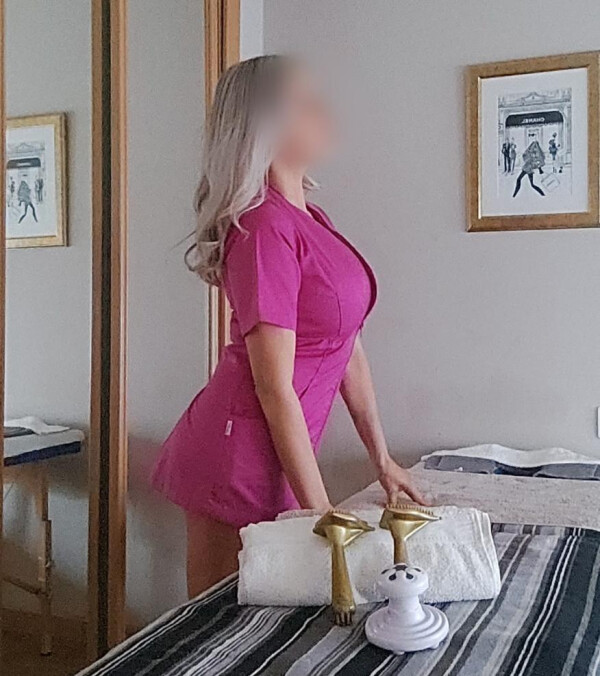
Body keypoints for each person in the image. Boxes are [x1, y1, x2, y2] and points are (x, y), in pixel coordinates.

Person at [152, 55, 425, 597]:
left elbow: (347, 347)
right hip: (233, 460)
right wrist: (321, 511)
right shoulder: (262, 228)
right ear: (265, 126)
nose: (324, 112)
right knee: (218, 622)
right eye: (305, 103)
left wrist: (383, 459)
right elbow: (273, 386)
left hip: (279, 452)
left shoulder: (312, 220)